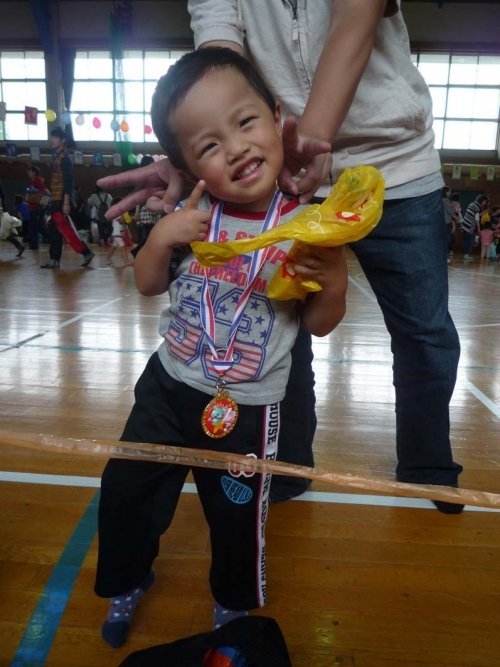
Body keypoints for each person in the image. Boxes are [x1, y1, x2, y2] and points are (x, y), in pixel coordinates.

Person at [98, 0, 464, 514]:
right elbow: (221, 54)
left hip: (392, 165)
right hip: (275, 166)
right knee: (278, 327)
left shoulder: (307, 140)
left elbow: (356, 18)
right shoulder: (246, 149)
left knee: (424, 331)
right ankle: (284, 465)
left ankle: (428, 466)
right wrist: (202, 142)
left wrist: (298, 140)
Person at [94, 47, 348, 649]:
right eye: (208, 145)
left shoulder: (307, 226)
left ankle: (233, 608)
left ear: (277, 115)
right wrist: (160, 238)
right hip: (168, 386)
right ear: (187, 164)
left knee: (237, 517)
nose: (234, 148)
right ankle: (129, 577)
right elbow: (148, 283)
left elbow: (318, 324)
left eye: (245, 122)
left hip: (247, 408)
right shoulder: (195, 214)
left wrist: (333, 281)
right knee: (126, 488)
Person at [40, 127, 95, 269]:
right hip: (56, 199)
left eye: (55, 137)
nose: (52, 140)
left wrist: (65, 202)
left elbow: (68, 181)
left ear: (63, 140)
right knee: (55, 229)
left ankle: (85, 252)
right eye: (52, 137)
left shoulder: (65, 158)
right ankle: (55, 259)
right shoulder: (57, 157)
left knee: (66, 230)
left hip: (60, 200)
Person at [26, 165, 50, 249]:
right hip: (32, 207)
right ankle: (34, 244)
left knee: (37, 226)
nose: (28, 173)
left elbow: (43, 190)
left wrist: (34, 191)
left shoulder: (38, 180)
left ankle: (51, 238)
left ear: (34, 173)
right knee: (35, 226)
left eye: (29, 171)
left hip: (37, 208)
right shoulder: (32, 181)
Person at [461, 195, 489, 262]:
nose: (485, 203)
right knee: (470, 241)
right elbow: (476, 218)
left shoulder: (473, 204)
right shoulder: (477, 206)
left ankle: (465, 254)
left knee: (466, 240)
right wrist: (479, 228)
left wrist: (482, 213)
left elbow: (475, 215)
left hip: (465, 224)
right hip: (469, 225)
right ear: (482, 200)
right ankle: (466, 254)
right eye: (485, 201)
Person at [107, 199, 134, 267]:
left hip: (117, 234)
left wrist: (124, 230)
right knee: (123, 246)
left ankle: (108, 259)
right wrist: (128, 217)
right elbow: (121, 221)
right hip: (116, 234)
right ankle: (127, 262)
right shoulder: (116, 213)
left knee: (114, 247)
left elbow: (123, 224)